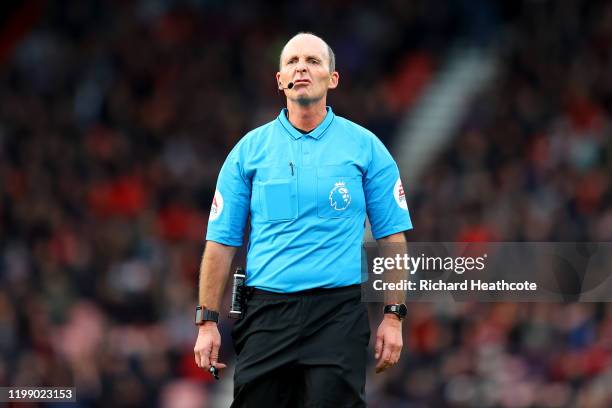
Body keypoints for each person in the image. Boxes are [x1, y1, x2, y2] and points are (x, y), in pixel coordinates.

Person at [193, 32, 413, 407]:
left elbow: (392, 238)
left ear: (333, 78)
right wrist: (207, 322)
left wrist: (393, 315)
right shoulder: (248, 152)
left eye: (313, 61)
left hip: (338, 314)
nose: (301, 68)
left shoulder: (366, 148)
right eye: (292, 62)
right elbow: (221, 243)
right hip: (265, 314)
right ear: (280, 80)